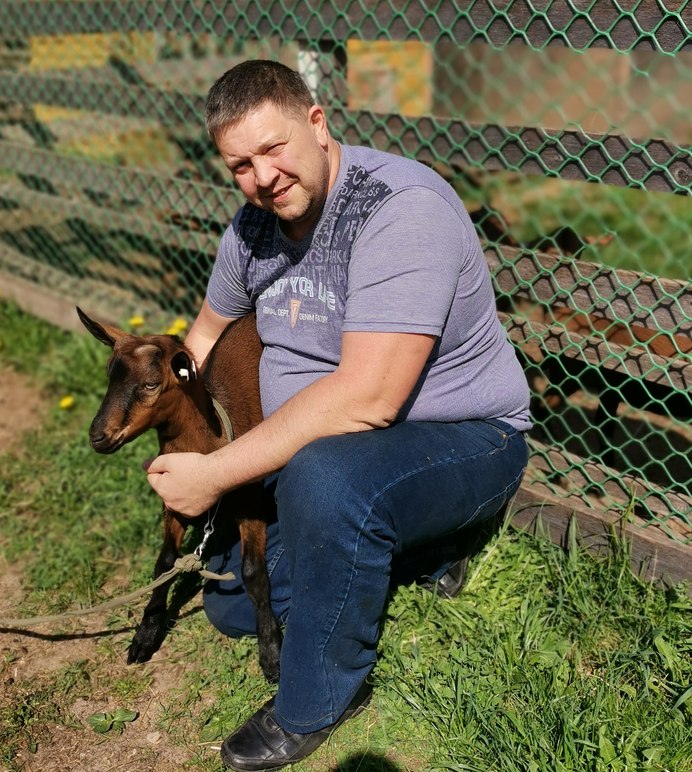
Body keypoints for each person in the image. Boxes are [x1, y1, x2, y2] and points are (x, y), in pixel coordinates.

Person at [145, 59, 531, 771]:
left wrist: (218, 473)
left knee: (328, 479)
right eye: (240, 165)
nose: (263, 177)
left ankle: (319, 699)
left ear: (317, 124)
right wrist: (170, 418)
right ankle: (414, 554)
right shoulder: (253, 229)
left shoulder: (398, 209)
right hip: (326, 455)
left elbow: (367, 399)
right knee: (233, 602)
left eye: (274, 148)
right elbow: (198, 342)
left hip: (461, 440)